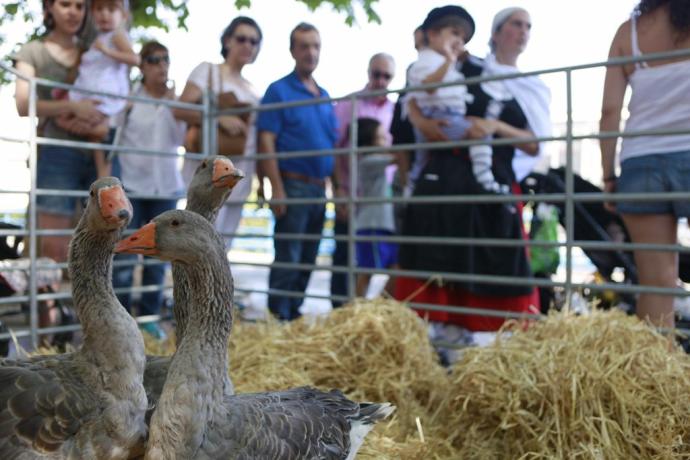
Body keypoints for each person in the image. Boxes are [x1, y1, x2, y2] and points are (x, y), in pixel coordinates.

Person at [396, 5, 546, 338]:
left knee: (496, 263)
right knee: (434, 262)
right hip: (445, 186)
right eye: (515, 24)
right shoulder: (441, 75)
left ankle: (491, 341)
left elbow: (533, 143)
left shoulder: (509, 84)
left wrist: (492, 126)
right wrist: (436, 125)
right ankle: (436, 342)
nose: (455, 38)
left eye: (460, 33)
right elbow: (416, 119)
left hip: (491, 189)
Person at [600, 0, 690, 329]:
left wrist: (609, 175)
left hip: (640, 162)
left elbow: (610, 112)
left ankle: (655, 378)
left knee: (656, 281)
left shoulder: (630, 32)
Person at [257, 22, 338, 321]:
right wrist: (276, 188)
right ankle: (278, 317)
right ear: (292, 51)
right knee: (288, 255)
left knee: (308, 256)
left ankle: (294, 314)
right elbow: (266, 140)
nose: (310, 52)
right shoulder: (278, 90)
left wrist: (337, 189)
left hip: (320, 188)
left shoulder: (324, 95)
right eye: (303, 46)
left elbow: (333, 147)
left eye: (315, 46)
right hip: (292, 183)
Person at [13, 0, 104, 265]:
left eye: (79, 5)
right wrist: (73, 107)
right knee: (52, 247)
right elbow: (22, 104)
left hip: (97, 151)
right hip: (56, 151)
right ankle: (49, 306)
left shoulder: (94, 51)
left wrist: (95, 123)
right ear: (49, 8)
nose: (73, 11)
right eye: (65, 4)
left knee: (98, 245)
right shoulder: (33, 51)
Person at [111, 41, 185, 340]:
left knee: (159, 258)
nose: (161, 65)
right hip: (133, 187)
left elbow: (184, 138)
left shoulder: (177, 103)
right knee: (126, 257)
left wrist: (174, 100)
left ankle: (150, 318)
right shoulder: (129, 101)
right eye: (153, 60)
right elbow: (112, 139)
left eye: (165, 59)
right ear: (142, 66)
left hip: (166, 187)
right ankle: (121, 320)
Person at [173, 16, 262, 246]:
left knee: (223, 247)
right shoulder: (208, 71)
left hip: (241, 176)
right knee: (199, 244)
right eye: (241, 38)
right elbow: (180, 110)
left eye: (254, 41)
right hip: (209, 179)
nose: (247, 45)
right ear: (227, 41)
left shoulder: (252, 89)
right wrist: (218, 118)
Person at [405, 5, 507, 195]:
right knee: (479, 132)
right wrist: (421, 122)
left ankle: (484, 177)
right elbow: (413, 99)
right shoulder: (423, 65)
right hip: (437, 170)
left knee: (479, 131)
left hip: (462, 177)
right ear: (432, 35)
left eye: (463, 38)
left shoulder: (477, 67)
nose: (459, 41)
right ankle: (484, 177)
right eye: (454, 33)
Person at [330, 52, 396, 307]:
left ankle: (369, 313)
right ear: (368, 73)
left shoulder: (392, 109)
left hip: (381, 200)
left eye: (386, 76)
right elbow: (336, 151)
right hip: (352, 196)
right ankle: (340, 313)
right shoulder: (349, 105)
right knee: (344, 257)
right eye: (376, 74)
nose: (380, 81)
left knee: (372, 263)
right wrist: (339, 191)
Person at [58, 0, 139, 178]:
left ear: (123, 15)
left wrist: (106, 51)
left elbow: (134, 59)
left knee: (91, 128)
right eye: (99, 9)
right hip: (91, 91)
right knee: (78, 125)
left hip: (106, 93)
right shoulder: (100, 38)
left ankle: (104, 173)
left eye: (111, 9)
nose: (104, 14)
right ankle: (103, 174)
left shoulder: (117, 36)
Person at [352, 118, 399, 297]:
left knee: (395, 268)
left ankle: (377, 309)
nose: (385, 141)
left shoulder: (374, 161)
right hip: (372, 225)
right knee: (367, 272)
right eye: (380, 138)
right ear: (369, 140)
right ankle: (357, 310)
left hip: (384, 226)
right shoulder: (368, 160)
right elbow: (397, 156)